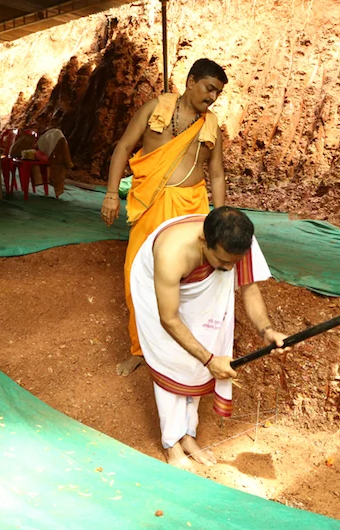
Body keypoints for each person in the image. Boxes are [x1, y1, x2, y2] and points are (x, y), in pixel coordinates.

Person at [131, 207, 288, 467]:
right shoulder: (172, 254)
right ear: (204, 241)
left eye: (234, 263)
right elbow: (169, 319)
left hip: (188, 280)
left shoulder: (239, 244)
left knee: (204, 342)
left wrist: (266, 330)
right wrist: (209, 360)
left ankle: (188, 435)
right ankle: (171, 442)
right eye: (223, 262)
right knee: (172, 357)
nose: (228, 269)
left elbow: (249, 288)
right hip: (154, 286)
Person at [101, 58, 229, 376]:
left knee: (189, 279)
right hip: (150, 204)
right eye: (209, 88)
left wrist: (221, 216)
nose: (212, 97)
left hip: (191, 208)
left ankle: (186, 349)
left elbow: (216, 174)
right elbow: (124, 147)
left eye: (217, 92)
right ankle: (140, 350)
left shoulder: (211, 126)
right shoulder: (155, 108)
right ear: (191, 81)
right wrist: (110, 193)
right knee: (137, 275)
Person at [7, 127, 73, 198]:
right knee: (58, 140)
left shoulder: (43, 142)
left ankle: (68, 163)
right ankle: (68, 163)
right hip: (38, 153)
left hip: (48, 154)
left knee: (58, 139)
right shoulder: (30, 143)